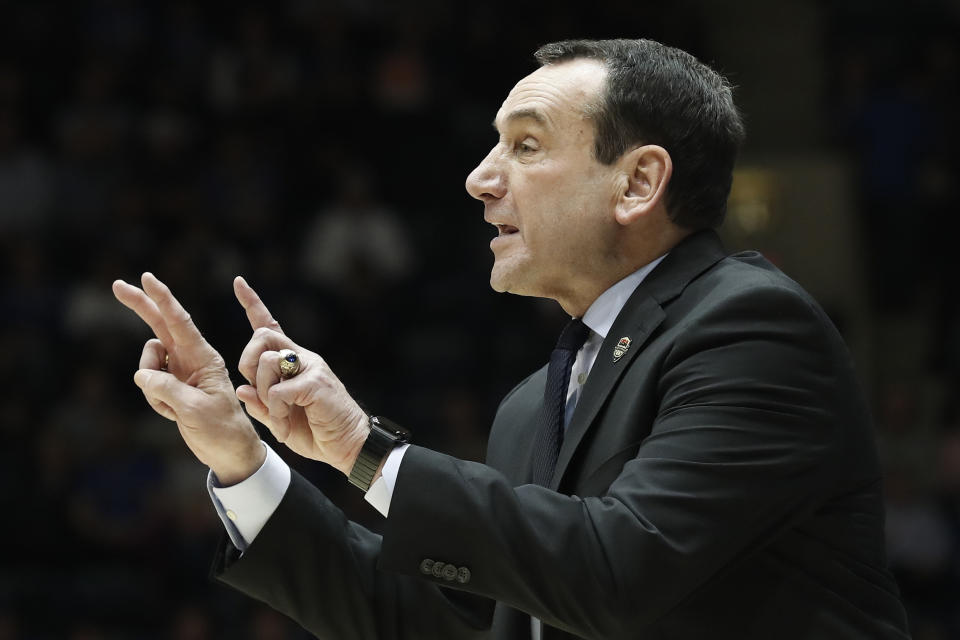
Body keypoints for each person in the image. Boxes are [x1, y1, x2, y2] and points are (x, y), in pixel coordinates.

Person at [114, 39, 911, 639]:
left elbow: (615, 570)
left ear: (638, 182)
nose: (480, 177)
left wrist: (362, 448)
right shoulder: (534, 407)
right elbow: (438, 628)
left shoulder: (750, 327)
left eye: (526, 146)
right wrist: (241, 461)